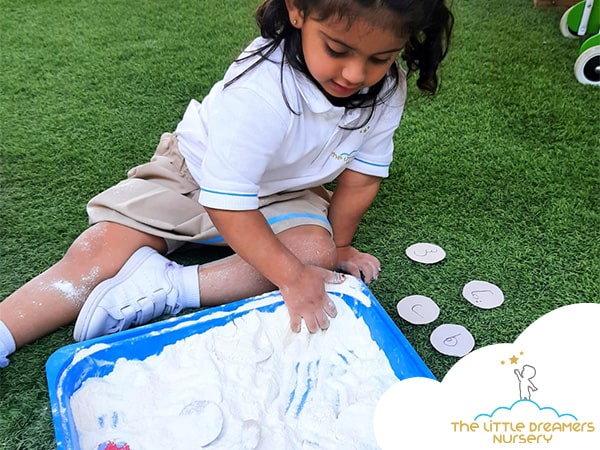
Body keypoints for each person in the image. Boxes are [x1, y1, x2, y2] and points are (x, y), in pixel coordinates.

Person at [0, 0, 454, 368]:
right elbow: (227, 203)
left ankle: (172, 286)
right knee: (96, 253)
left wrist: (336, 248)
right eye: (336, 49)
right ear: (298, 11)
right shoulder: (261, 88)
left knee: (317, 253)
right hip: (191, 177)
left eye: (380, 57)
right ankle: (5, 330)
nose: (355, 74)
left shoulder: (388, 89)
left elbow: (359, 180)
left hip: (284, 193)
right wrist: (291, 278)